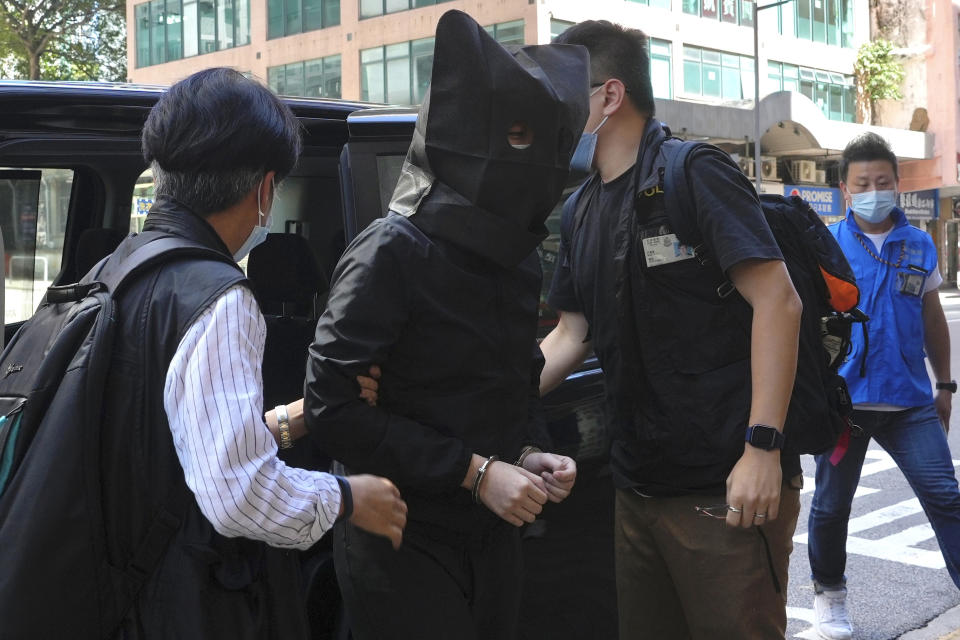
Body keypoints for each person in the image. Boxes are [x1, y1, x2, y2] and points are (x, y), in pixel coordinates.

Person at [300, 11, 583, 640]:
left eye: (546, 142)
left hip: (492, 535)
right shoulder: (391, 251)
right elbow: (334, 409)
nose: (533, 161)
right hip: (399, 531)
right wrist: (476, 471)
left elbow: (512, 383)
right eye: (512, 136)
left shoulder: (512, 262)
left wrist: (531, 453)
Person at [107, 67, 407, 638]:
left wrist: (298, 418)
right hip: (179, 598)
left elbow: (169, 440)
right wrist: (348, 497)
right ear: (265, 190)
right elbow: (238, 494)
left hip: (120, 579)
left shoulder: (123, 267)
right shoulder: (218, 299)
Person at [539, 20, 805, 639]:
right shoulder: (581, 208)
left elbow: (779, 301)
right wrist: (489, 393)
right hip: (636, 486)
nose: (550, 111)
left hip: (725, 487)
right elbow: (569, 334)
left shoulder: (694, 173)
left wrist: (763, 447)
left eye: (560, 93)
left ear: (609, 96)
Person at [807, 132, 960, 640]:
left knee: (945, 496)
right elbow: (804, 322)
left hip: (910, 400)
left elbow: (933, 318)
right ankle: (829, 596)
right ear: (846, 189)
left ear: (897, 184)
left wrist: (946, 385)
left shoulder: (918, 243)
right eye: (863, 182)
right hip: (843, 405)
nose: (875, 189)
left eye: (884, 181)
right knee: (831, 506)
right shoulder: (826, 243)